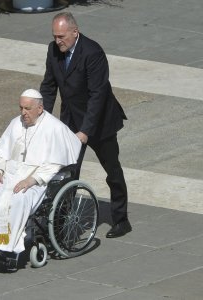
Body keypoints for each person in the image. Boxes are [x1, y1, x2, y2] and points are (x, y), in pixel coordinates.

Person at [0, 88, 81, 260]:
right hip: (10, 175)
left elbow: (53, 164)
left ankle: (5, 248)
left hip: (36, 181)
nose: (23, 113)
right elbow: (1, 152)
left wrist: (31, 180)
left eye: (27, 109)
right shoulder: (15, 123)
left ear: (39, 109)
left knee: (19, 197)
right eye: (21, 108)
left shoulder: (54, 128)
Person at [40, 12, 131, 238]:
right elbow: (49, 87)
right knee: (67, 172)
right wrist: (41, 120)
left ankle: (121, 219)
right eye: (55, 36)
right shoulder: (53, 51)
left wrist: (85, 131)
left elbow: (97, 95)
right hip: (71, 120)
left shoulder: (92, 52)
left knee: (113, 171)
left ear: (75, 32)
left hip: (99, 123)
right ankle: (63, 224)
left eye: (62, 36)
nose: (58, 41)